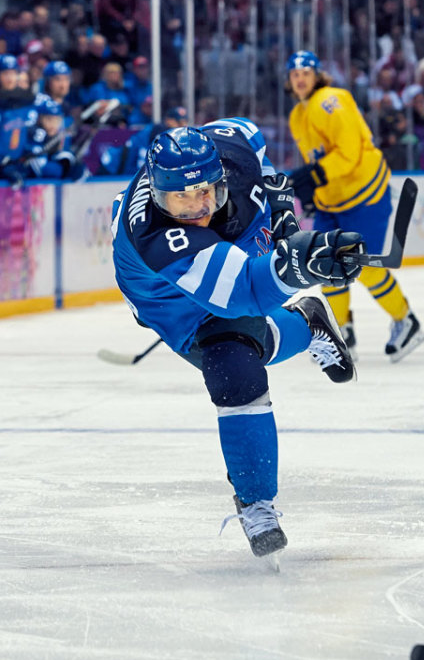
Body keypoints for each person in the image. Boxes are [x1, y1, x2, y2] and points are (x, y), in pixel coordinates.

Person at [111, 122, 363, 562]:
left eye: (205, 194)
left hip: (232, 257)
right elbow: (242, 292)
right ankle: (306, 323)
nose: (195, 210)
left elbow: (252, 137)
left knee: (234, 368)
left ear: (220, 177)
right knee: (236, 344)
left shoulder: (230, 147)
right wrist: (301, 265)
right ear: (157, 195)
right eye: (180, 200)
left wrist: (278, 198)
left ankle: (256, 502)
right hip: (169, 297)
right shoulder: (160, 235)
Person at [284, 50, 424, 363]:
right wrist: (311, 191)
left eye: (306, 72)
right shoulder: (297, 116)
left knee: (364, 266)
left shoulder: (331, 99)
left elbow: (349, 151)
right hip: (331, 202)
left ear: (318, 75)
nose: (300, 79)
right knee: (323, 266)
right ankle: (341, 330)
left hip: (365, 196)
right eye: (295, 75)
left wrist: (316, 174)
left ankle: (407, 322)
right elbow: (316, 160)